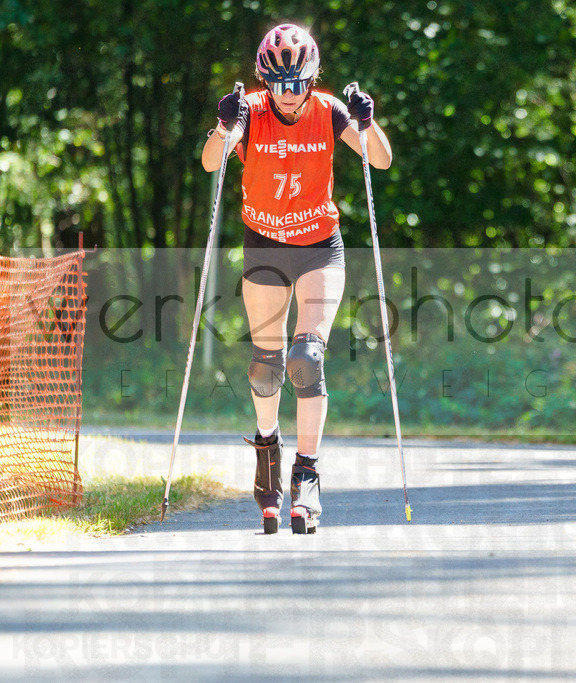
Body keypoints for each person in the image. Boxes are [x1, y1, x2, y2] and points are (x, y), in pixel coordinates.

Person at [201, 23, 392, 534]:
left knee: (305, 359)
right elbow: (209, 163)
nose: (289, 97)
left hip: (318, 249)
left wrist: (366, 123)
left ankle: (306, 474)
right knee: (265, 368)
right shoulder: (251, 113)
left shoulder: (329, 111)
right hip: (264, 246)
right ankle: (267, 453)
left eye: (298, 84)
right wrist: (223, 128)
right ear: (265, 81)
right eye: (279, 86)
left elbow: (381, 159)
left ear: (313, 77)